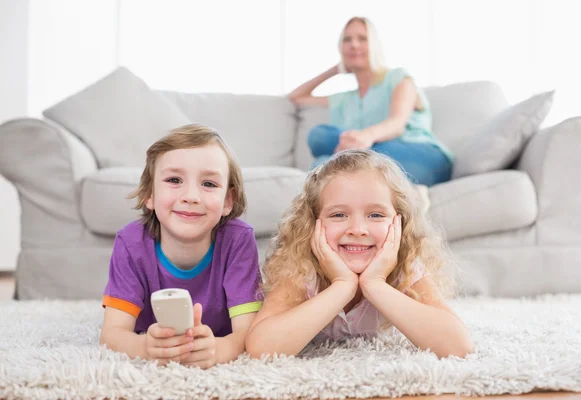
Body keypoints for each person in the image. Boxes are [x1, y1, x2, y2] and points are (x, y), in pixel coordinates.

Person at [245, 149, 472, 359]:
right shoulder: (299, 266)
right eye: (338, 215)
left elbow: (458, 346)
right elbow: (261, 348)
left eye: (375, 215)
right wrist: (342, 286)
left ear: (399, 223)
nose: (357, 229)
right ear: (312, 223)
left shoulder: (406, 265)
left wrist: (375, 284)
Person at [100, 124, 262, 369]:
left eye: (208, 184)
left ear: (228, 200)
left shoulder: (237, 240)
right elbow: (111, 334)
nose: (191, 196)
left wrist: (218, 349)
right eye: (174, 180)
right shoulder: (131, 242)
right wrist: (144, 347)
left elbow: (249, 334)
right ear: (149, 194)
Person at [288, 17, 454, 187]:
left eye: (362, 38)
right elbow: (296, 98)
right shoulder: (344, 99)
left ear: (375, 45)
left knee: (323, 141)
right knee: (319, 146)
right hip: (374, 162)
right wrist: (336, 69)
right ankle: (357, 163)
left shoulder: (398, 78)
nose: (354, 44)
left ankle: (356, 158)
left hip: (421, 156)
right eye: (347, 40)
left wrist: (365, 136)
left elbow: (397, 123)